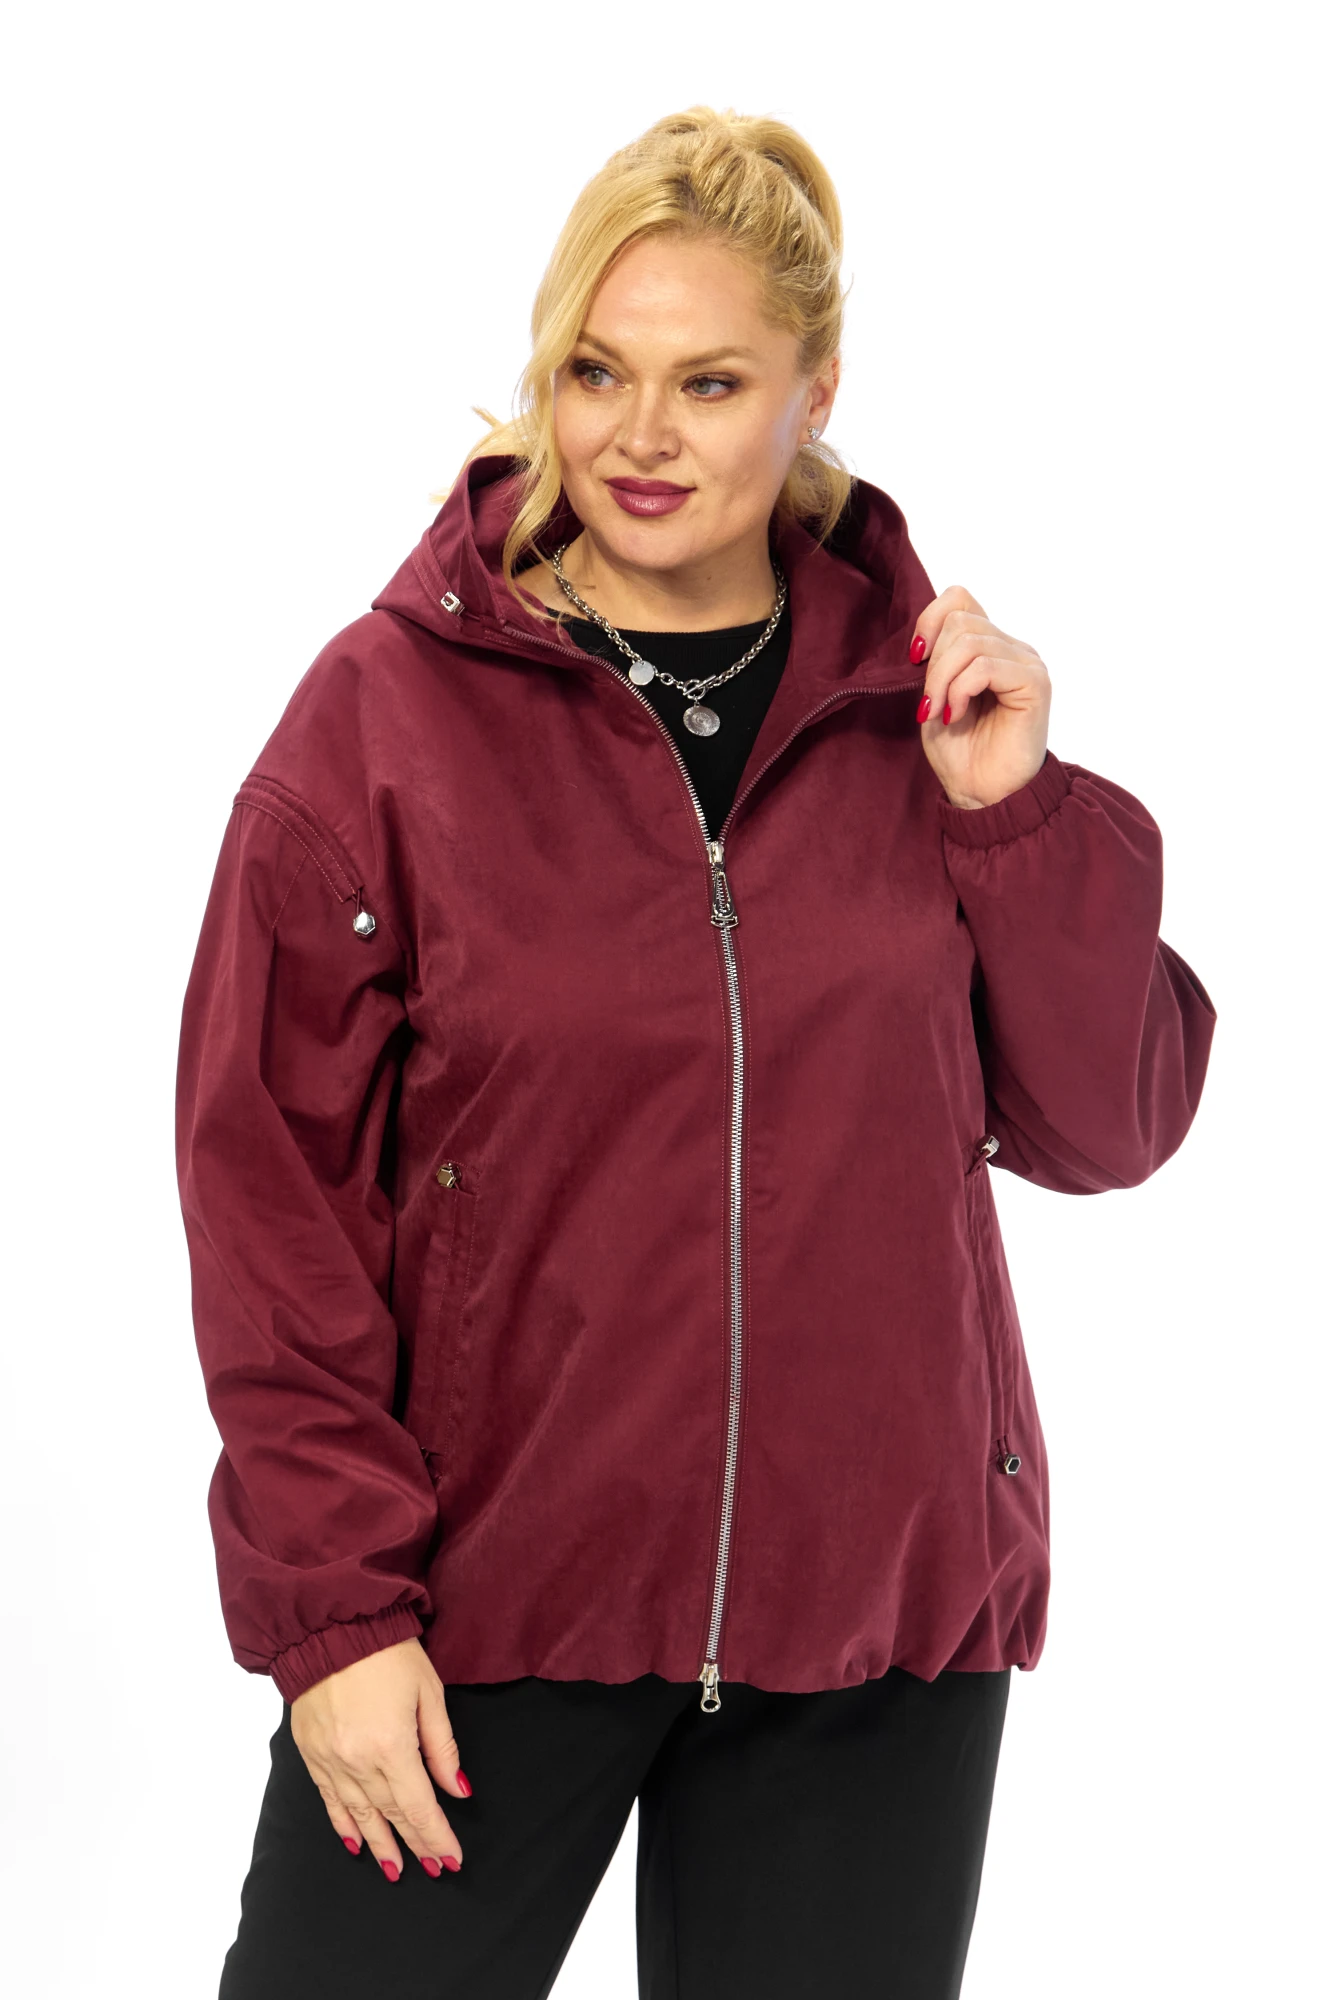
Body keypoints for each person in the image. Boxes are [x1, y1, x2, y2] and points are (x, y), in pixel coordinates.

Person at [175, 105, 1217, 2000]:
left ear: (818, 392)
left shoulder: (919, 713)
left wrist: (1011, 814)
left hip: (871, 1623)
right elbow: (269, 1197)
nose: (640, 436)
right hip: (484, 1605)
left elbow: (1110, 1124)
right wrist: (334, 1615)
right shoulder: (388, 718)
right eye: (597, 370)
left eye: (710, 382)